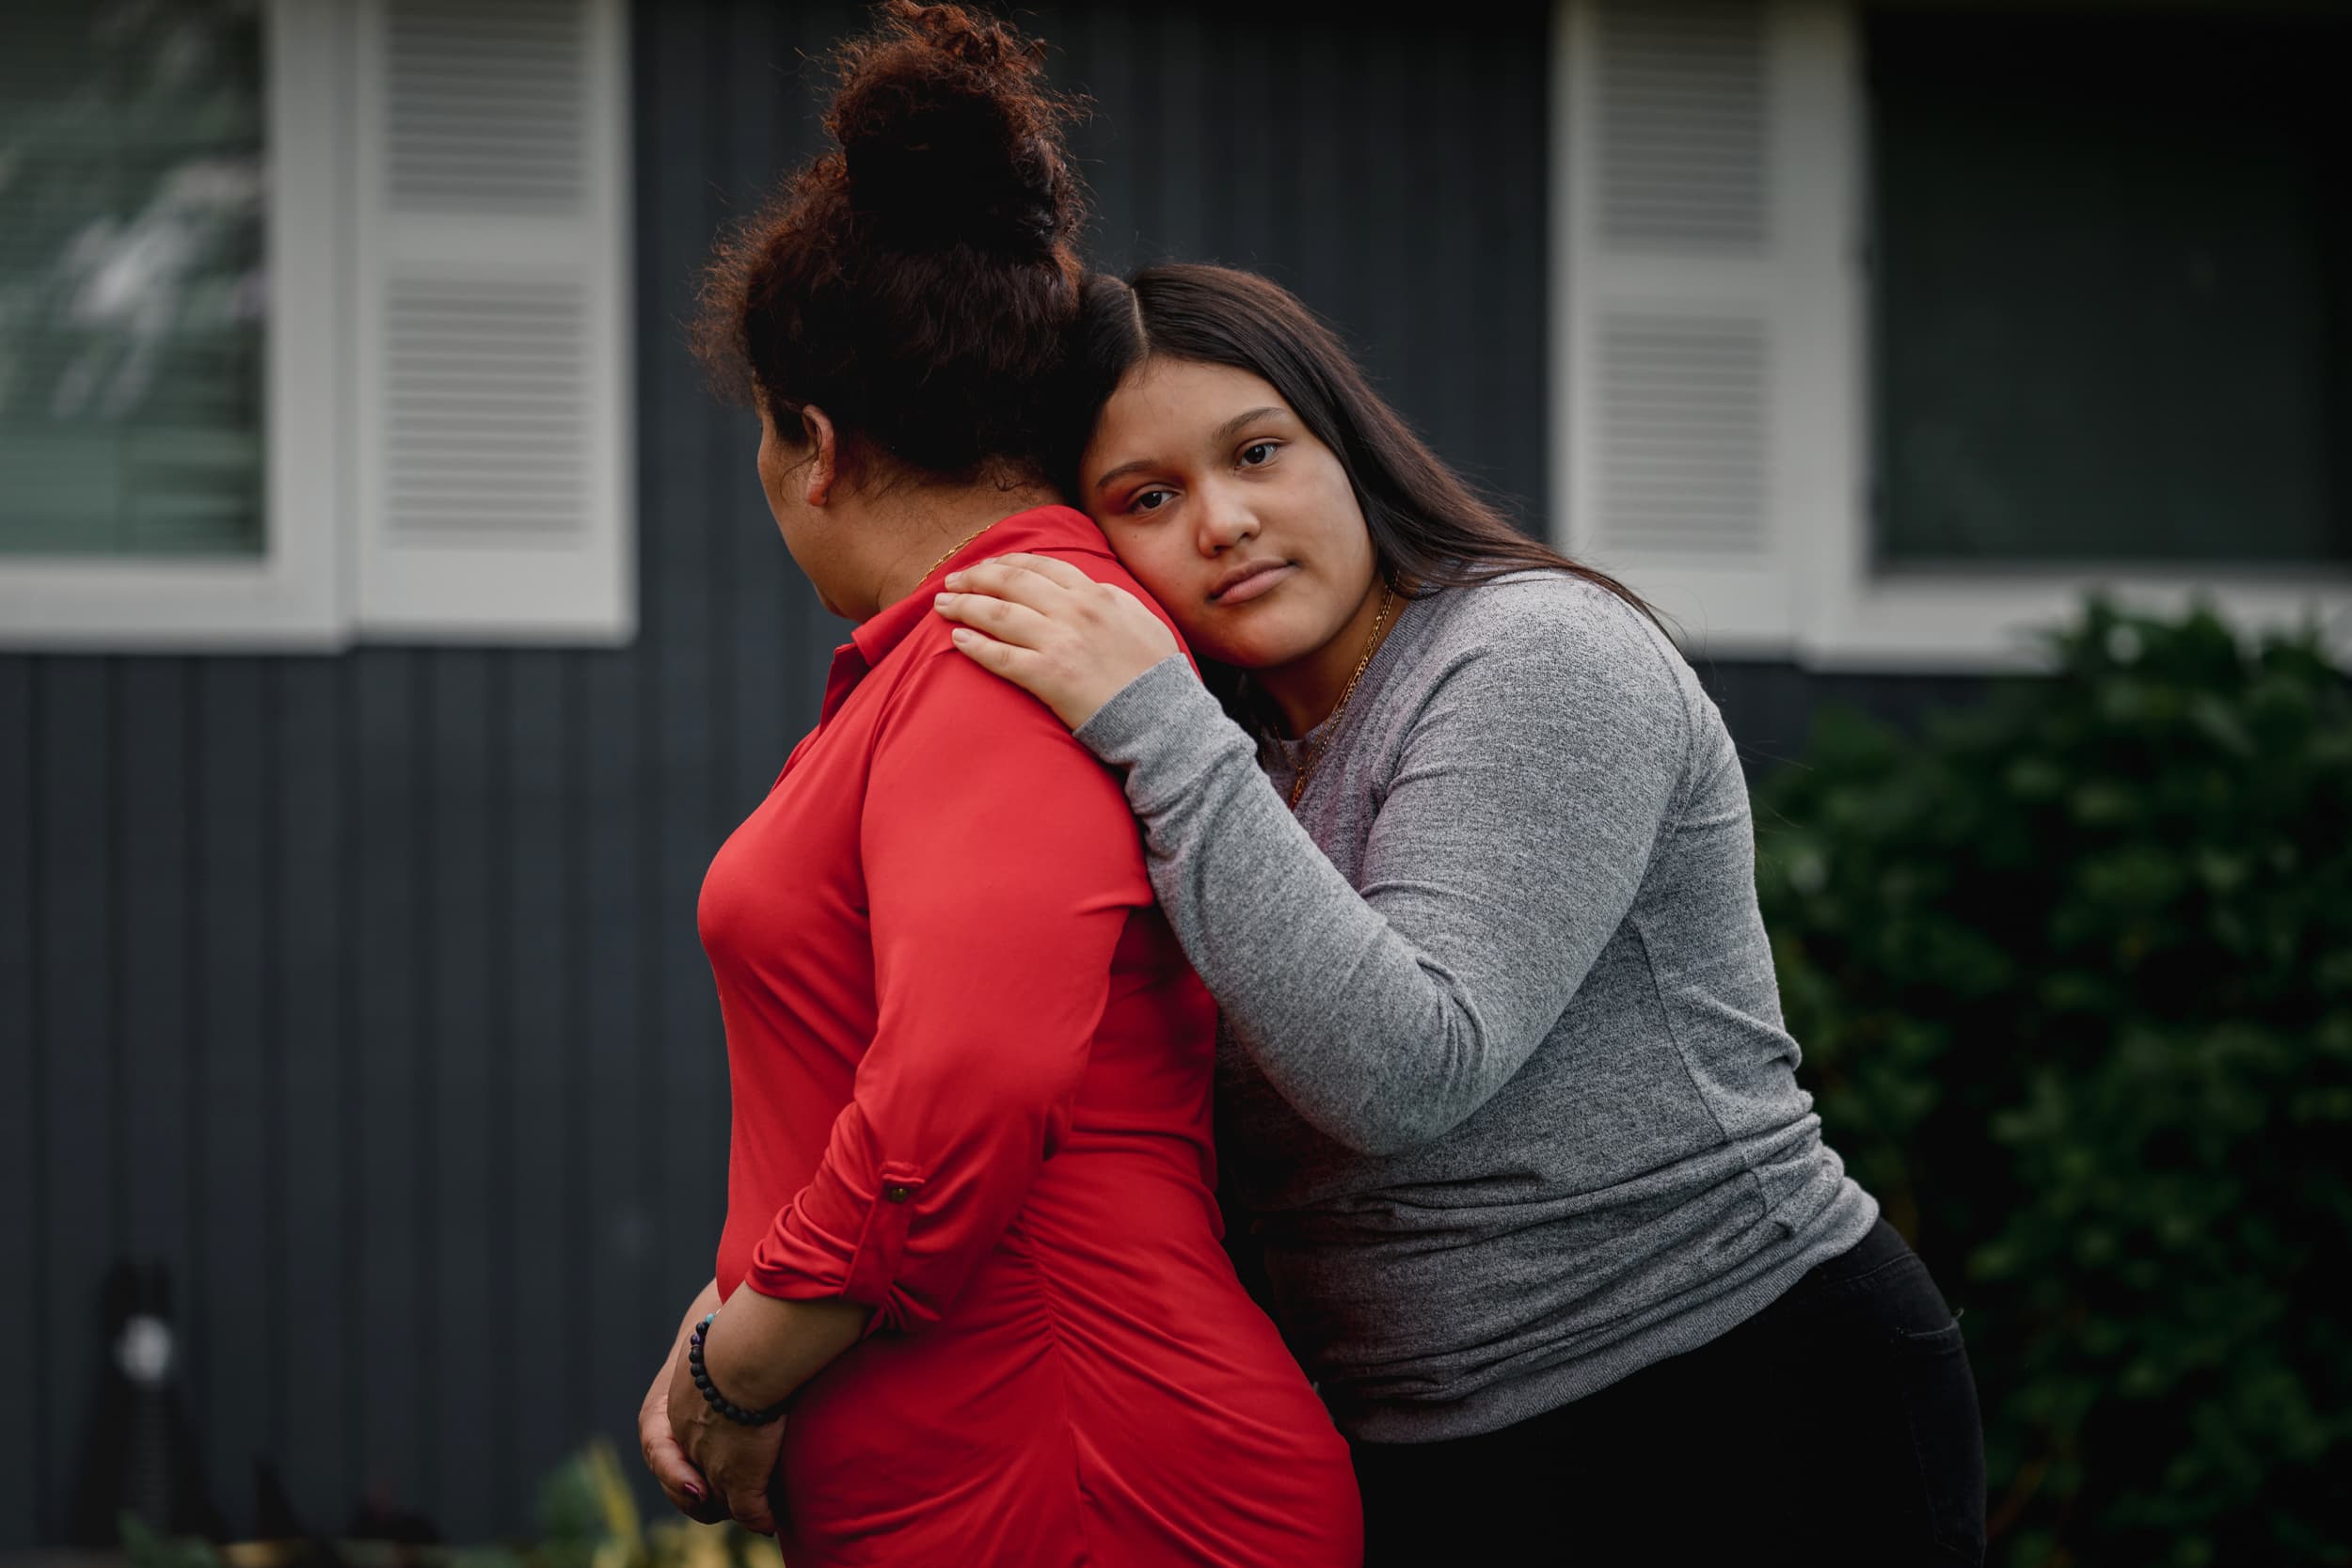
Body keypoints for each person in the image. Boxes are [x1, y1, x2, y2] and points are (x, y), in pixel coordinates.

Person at [932, 263, 1989, 1566]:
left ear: (1347, 444)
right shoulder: (1231, 762)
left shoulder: (1537, 656)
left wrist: (1152, 715)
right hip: (1433, 1448)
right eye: (1148, 498)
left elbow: (1406, 1069)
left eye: (1257, 453)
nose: (1222, 521)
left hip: (1734, 1396)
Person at [631, 15, 1360, 1566]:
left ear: (813, 445)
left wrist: (732, 1372)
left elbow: (967, 1085)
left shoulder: (1001, 654)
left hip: (1087, 1473)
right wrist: (744, 1301)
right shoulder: (970, 651)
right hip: (1014, 1466)